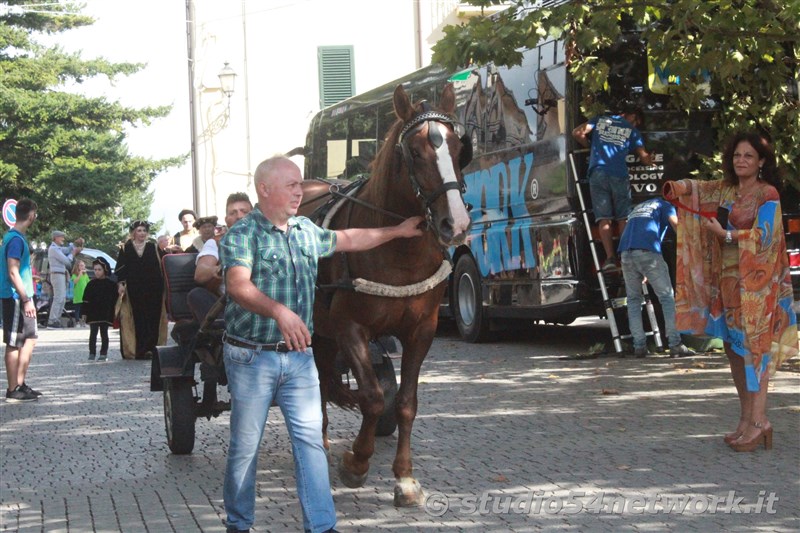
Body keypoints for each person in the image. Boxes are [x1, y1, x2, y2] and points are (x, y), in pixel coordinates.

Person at [219, 156, 423, 533]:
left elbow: (350, 239)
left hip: (298, 360)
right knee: (246, 448)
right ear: (265, 190)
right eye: (292, 185)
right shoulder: (242, 234)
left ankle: (322, 525)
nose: (301, 191)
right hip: (251, 358)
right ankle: (239, 523)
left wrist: (397, 231)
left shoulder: (304, 230)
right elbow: (238, 286)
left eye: (300, 185)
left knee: (311, 445)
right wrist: (280, 312)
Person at [663, 132, 798, 452]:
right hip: (726, 284)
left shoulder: (768, 194)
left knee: (755, 350)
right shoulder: (726, 190)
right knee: (733, 349)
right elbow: (698, 190)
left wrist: (726, 235)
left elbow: (766, 236)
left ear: (761, 162)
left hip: (757, 287)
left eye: (749, 156)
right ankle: (744, 418)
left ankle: (760, 420)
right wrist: (677, 187)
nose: (741, 160)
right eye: (737, 155)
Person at [572, 104, 654, 271]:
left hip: (597, 173)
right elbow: (644, 158)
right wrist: (650, 159)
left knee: (604, 218)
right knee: (623, 217)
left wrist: (590, 147)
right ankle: (625, 257)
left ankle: (610, 258)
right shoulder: (632, 130)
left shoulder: (600, 120)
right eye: (636, 120)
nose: (636, 124)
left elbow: (577, 133)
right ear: (630, 116)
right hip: (619, 175)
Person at [618, 198, 695, 358]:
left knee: (633, 300)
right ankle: (675, 344)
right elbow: (675, 225)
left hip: (626, 252)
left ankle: (639, 346)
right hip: (648, 252)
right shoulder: (665, 205)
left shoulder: (638, 206)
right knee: (666, 298)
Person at [1, 198, 43, 402]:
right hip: (16, 297)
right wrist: (26, 299)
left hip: (21, 296)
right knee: (14, 342)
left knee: (29, 338)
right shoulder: (15, 239)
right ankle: (13, 388)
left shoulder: (14, 237)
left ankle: (20, 383)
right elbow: (13, 270)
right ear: (32, 215)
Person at [188, 193, 252, 323]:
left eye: (244, 211)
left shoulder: (268, 240)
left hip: (265, 304)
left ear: (254, 216)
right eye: (233, 213)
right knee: (196, 295)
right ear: (226, 219)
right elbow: (200, 273)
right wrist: (220, 269)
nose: (239, 216)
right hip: (229, 306)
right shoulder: (215, 243)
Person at [115, 220, 167, 360]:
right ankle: (138, 349)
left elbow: (162, 266)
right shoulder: (126, 248)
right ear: (133, 232)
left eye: (144, 230)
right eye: (139, 230)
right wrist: (121, 284)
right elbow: (120, 269)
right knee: (137, 318)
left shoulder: (153, 247)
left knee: (152, 318)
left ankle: (151, 349)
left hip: (153, 289)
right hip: (134, 289)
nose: (142, 233)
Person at [82, 257, 118, 361]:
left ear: (105, 270)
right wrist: (84, 313)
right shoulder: (91, 284)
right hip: (93, 313)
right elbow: (86, 300)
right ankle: (92, 352)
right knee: (93, 333)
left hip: (105, 313)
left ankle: (103, 353)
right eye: (95, 270)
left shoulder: (111, 285)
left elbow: (115, 300)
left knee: (104, 333)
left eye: (99, 270)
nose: (97, 272)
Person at [47, 230, 83, 327]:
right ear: (56, 238)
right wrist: (73, 254)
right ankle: (52, 320)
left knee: (62, 298)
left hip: (61, 274)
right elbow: (67, 261)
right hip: (57, 274)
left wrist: (74, 244)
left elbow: (67, 250)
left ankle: (56, 320)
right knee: (58, 297)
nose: (63, 239)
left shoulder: (57, 248)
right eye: (61, 237)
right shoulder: (53, 249)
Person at [71, 260, 89, 327]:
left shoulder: (85, 275)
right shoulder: (74, 275)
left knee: (84, 310)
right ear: (77, 267)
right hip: (77, 295)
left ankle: (84, 322)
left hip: (84, 295)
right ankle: (77, 322)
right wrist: (80, 274)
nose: (83, 267)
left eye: (83, 265)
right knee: (77, 310)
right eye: (81, 265)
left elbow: (88, 283)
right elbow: (75, 282)